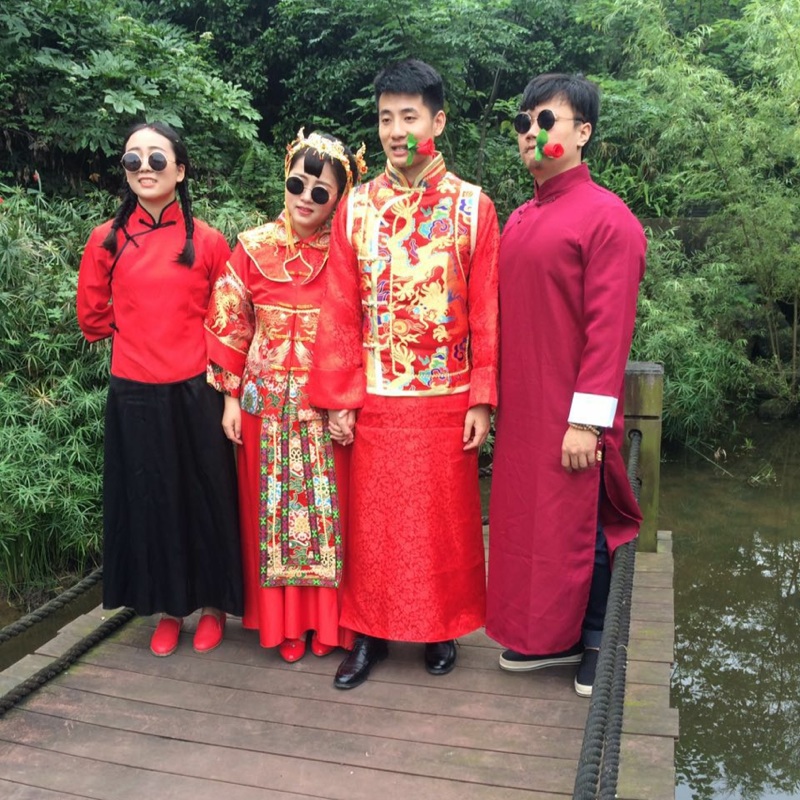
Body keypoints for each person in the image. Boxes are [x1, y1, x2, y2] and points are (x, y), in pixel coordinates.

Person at [308, 59, 500, 689]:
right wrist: (339, 398)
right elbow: (339, 308)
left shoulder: (473, 207)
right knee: (374, 524)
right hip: (377, 397)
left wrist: (481, 398)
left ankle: (442, 628)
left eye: (409, 117)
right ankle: (369, 634)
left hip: (446, 396)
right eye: (386, 117)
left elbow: (486, 309)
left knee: (443, 524)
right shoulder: (356, 207)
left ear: (437, 122)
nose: (396, 130)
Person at [486, 73, 646, 697]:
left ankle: (598, 639)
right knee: (536, 524)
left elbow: (610, 330)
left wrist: (586, 420)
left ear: (584, 133)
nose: (532, 132)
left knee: (584, 519)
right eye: (524, 122)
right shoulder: (523, 217)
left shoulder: (609, 219)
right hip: (526, 406)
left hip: (575, 408)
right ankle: (552, 637)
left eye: (546, 120)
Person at [77, 121, 243, 657]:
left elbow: (229, 320)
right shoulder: (105, 239)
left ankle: (214, 605)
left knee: (206, 497)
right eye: (133, 159)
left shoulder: (209, 242)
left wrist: (226, 389)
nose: (143, 168)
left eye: (156, 158)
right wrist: (136, 334)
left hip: (198, 388)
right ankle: (170, 610)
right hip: (134, 391)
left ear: (180, 170)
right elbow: (91, 317)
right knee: (154, 502)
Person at [204, 130, 366, 662]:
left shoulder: (350, 255)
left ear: (339, 197)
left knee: (330, 517)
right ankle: (285, 627)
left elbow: (361, 333)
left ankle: (331, 626)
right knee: (270, 517)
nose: (305, 198)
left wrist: (347, 400)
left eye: (321, 192)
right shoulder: (251, 247)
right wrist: (230, 398)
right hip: (263, 409)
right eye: (298, 184)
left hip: (326, 409)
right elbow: (230, 322)